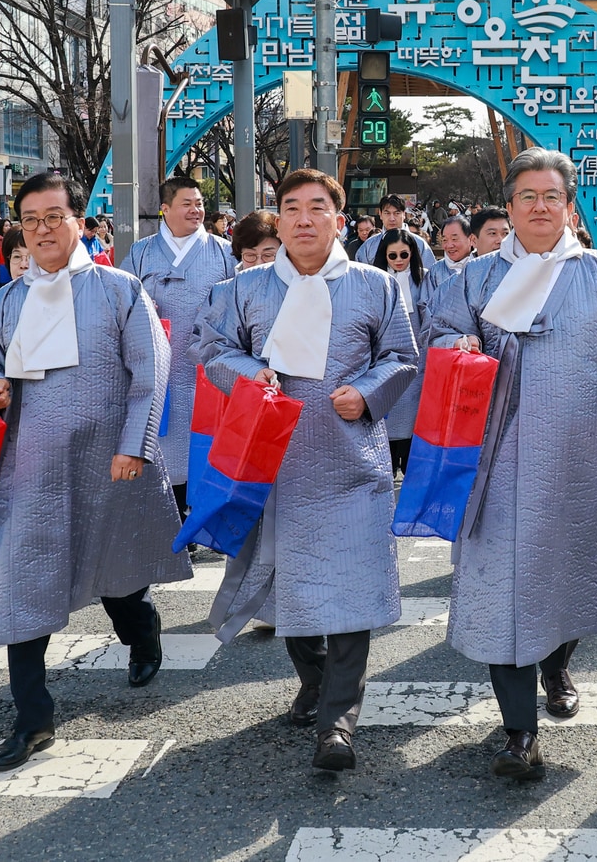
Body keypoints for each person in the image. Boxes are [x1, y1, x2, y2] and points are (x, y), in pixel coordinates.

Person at [428, 147, 597, 781]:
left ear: (569, 206)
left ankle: (559, 660)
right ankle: (518, 733)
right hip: (497, 453)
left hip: (583, 446)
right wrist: (456, 346)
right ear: (508, 207)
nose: (540, 207)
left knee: (572, 565)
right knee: (502, 582)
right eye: (528, 197)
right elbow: (437, 337)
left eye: (552, 197)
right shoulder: (477, 276)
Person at [0, 171, 187, 772]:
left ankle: (141, 631)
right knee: (22, 583)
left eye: (53, 217)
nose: (41, 230)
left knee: (113, 574)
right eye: (30, 220)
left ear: (79, 222)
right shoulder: (3, 303)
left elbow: (151, 368)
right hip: (29, 465)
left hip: (107, 458)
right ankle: (32, 718)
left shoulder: (119, 289)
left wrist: (135, 444)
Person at [198, 168, 417, 772]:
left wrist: (370, 391)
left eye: (316, 207)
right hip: (275, 464)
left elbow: (403, 356)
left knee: (347, 588)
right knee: (291, 586)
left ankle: (338, 723)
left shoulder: (374, 285)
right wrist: (248, 373)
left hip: (351, 461)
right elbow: (212, 347)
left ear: (337, 219)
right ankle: (314, 678)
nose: (302, 218)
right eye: (290, 207)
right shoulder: (246, 287)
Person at [120, 176, 236, 519]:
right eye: (186, 204)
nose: (195, 210)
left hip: (206, 367)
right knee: (161, 440)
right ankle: (166, 515)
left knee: (203, 442)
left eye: (199, 204)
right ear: (165, 209)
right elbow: (122, 305)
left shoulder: (223, 251)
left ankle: (199, 514)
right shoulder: (141, 253)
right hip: (158, 367)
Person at [372, 227, 430, 475]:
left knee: (413, 422)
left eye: (403, 255)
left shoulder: (425, 278)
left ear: (413, 254)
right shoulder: (374, 279)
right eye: (392, 255)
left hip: (420, 360)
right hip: (385, 360)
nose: (398, 260)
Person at [356, 195, 437, 267]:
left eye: (396, 213)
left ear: (404, 214)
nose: (392, 218)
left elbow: (430, 276)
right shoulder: (369, 245)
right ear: (380, 214)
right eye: (387, 213)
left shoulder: (419, 244)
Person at [430, 215, 475, 289]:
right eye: (445, 240)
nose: (449, 245)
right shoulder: (435, 271)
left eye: (454, 239)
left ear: (471, 239)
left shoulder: (482, 267)